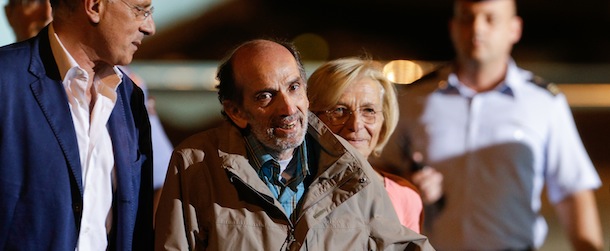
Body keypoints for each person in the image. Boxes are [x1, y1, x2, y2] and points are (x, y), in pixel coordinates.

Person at [154, 39, 434, 250]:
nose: (288, 108)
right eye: (266, 96)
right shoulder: (196, 163)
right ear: (236, 111)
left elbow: (401, 245)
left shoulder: (347, 165)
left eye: (294, 87)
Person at [376, 0, 604, 250]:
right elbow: (380, 173)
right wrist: (407, 184)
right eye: (467, 17)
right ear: (452, 27)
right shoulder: (413, 100)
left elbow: (573, 190)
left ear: (514, 29)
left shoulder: (544, 103)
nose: (477, 29)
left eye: (490, 18)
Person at [0, 0, 156, 249]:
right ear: (94, 6)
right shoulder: (5, 80)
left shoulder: (132, 99)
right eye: (141, 10)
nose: (150, 27)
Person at [307, 57, 423, 233]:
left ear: (384, 121)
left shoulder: (405, 197)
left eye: (369, 110)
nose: (356, 124)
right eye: (339, 110)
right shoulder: (291, 192)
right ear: (311, 117)